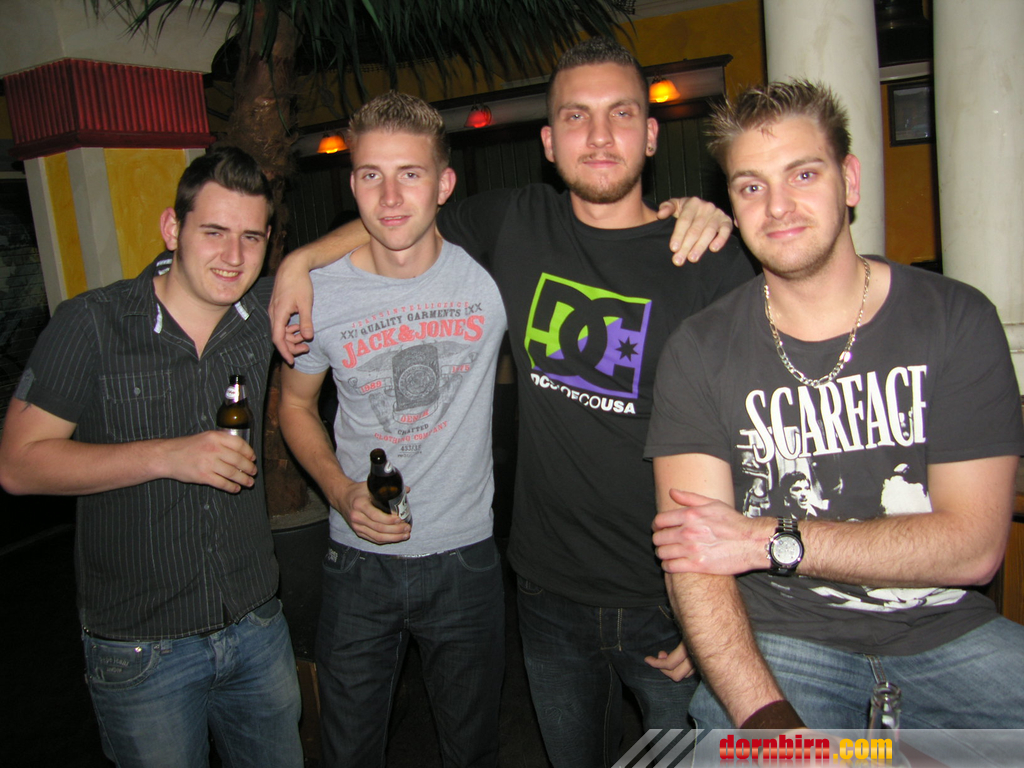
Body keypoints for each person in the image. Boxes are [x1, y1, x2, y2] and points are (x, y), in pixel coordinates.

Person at [271, 38, 754, 766]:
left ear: (652, 134)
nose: (599, 136)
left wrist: (726, 605)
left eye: (621, 114)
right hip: (545, 591)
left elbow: (759, 438)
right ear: (548, 142)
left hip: (672, 593)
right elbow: (402, 220)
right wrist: (299, 259)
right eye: (576, 116)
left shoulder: (710, 259)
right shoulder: (511, 225)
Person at [646, 79, 1024, 731]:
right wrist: (768, 724)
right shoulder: (700, 349)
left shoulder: (955, 319)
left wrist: (767, 538)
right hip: (781, 642)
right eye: (751, 186)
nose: (778, 207)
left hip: (945, 633)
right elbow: (695, 560)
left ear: (849, 180)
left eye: (804, 174)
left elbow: (973, 547)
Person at [0, 147, 304, 767]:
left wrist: (299, 263)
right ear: (173, 228)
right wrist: (168, 455)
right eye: (213, 232)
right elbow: (19, 464)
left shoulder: (262, 312)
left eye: (251, 237)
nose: (233, 256)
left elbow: (379, 235)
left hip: (256, 626)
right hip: (143, 651)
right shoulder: (92, 323)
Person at [277, 91, 507, 768]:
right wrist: (338, 489)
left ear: (444, 184)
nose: (390, 196)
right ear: (352, 185)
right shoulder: (319, 293)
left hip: (466, 559)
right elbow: (294, 406)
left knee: (472, 752)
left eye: (410, 173)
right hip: (357, 564)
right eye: (371, 175)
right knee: (347, 751)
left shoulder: (489, 274)